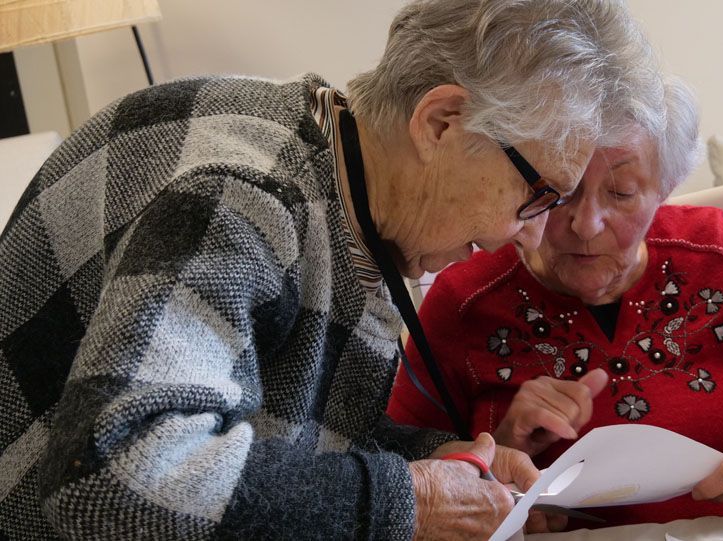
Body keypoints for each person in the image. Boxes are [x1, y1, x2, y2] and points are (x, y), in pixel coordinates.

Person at [0, 1, 664, 539]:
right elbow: (113, 478)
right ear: (443, 122)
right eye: (537, 194)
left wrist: (437, 463)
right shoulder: (243, 197)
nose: (530, 237)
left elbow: (277, 428)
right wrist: (413, 500)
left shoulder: (350, 178)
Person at [387, 75, 723, 529]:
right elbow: (390, 466)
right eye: (561, 191)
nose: (586, 225)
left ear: (664, 190)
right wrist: (498, 455)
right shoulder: (465, 300)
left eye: (621, 193)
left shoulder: (717, 255)